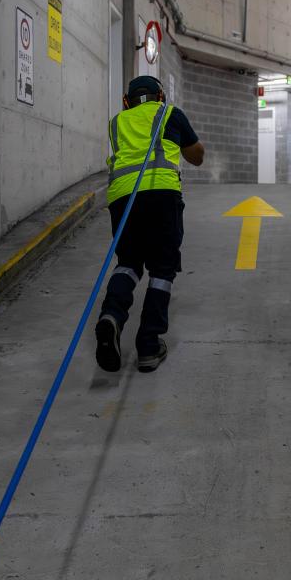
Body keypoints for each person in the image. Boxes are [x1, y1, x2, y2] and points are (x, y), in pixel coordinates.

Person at [95, 75, 204, 373]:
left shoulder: (116, 122)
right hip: (161, 195)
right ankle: (148, 344)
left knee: (128, 263)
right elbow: (197, 157)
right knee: (162, 269)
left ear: (126, 102)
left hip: (121, 197)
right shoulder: (170, 113)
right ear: (160, 96)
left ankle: (111, 317)